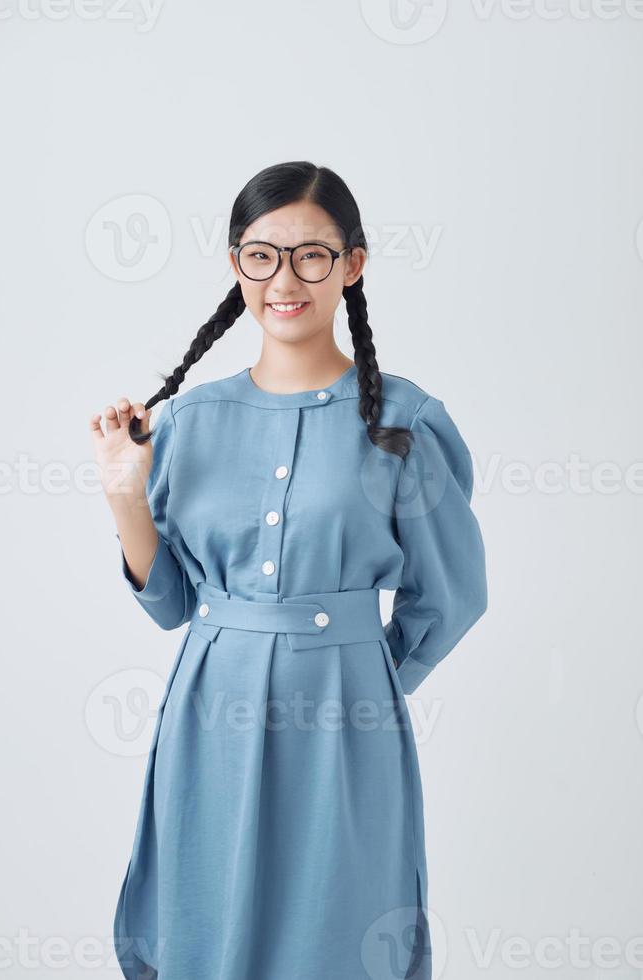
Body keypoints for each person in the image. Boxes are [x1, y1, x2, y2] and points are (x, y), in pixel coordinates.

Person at [90, 160, 488, 980]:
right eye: (261, 255)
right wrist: (125, 495)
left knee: (337, 928)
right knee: (206, 919)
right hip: (209, 714)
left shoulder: (405, 422)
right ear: (237, 264)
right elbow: (171, 605)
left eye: (312, 255)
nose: (286, 279)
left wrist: (364, 678)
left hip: (346, 723)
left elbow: (450, 596)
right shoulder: (192, 420)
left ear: (353, 263)